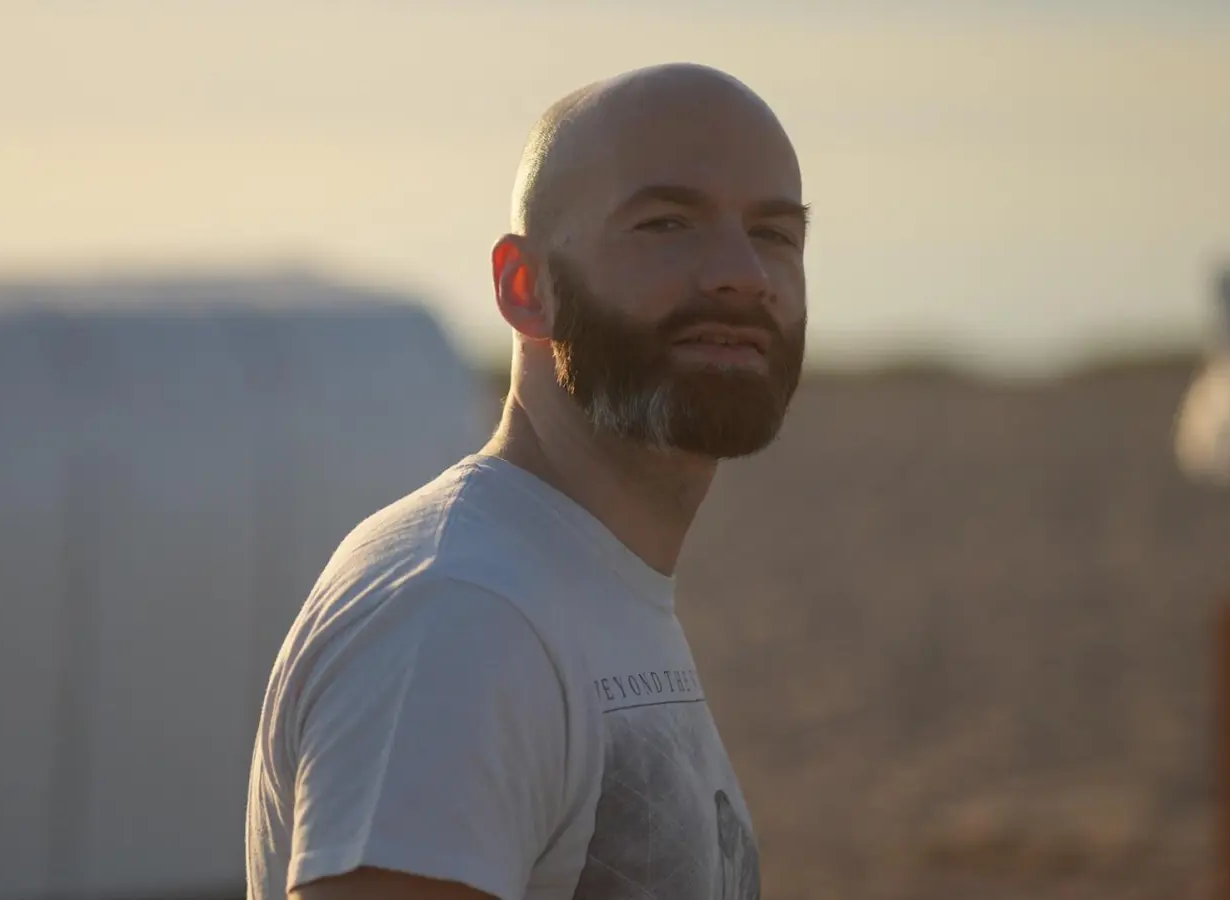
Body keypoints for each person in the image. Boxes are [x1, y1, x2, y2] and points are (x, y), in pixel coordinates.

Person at [246, 61, 809, 900]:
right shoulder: (460, 614)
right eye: (666, 223)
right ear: (524, 287)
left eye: (773, 233)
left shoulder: (575, 585)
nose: (743, 272)